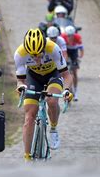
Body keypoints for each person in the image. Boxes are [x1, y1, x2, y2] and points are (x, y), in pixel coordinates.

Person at [14, 28, 72, 161]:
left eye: (39, 55)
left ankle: (53, 128)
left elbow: (67, 76)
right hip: (33, 77)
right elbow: (20, 80)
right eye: (32, 56)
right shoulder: (20, 54)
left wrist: (67, 90)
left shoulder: (53, 48)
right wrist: (21, 87)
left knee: (51, 101)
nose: (36, 58)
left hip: (53, 75)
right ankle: (27, 156)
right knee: (29, 118)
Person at [61, 25, 83, 101]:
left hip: (74, 52)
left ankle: (75, 92)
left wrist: (80, 57)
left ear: (74, 34)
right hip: (66, 51)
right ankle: (66, 89)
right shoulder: (62, 37)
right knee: (64, 71)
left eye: (71, 35)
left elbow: (81, 49)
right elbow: (62, 51)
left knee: (74, 72)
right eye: (68, 36)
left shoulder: (77, 37)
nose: (70, 37)